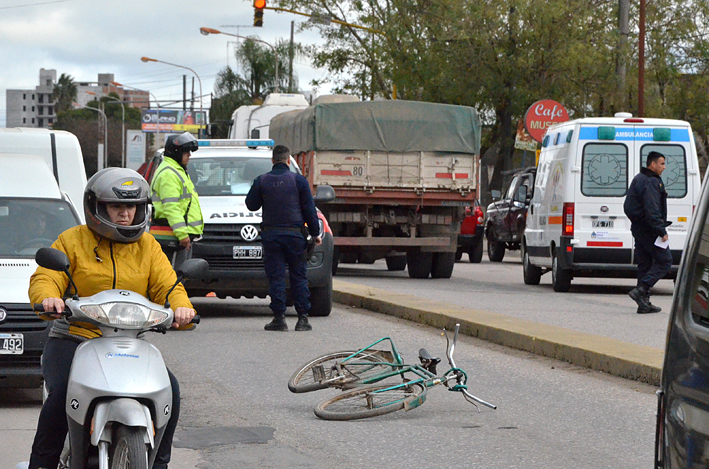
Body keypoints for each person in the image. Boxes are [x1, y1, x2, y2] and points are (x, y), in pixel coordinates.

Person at [25, 168, 196, 469]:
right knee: (63, 392)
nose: (125, 214)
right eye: (116, 206)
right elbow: (47, 276)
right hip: (75, 338)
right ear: (96, 207)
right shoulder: (72, 240)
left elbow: (168, 286)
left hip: (129, 342)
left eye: (131, 207)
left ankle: (159, 463)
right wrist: (48, 298)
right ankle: (43, 463)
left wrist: (183, 308)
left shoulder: (149, 247)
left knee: (171, 389)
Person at [245, 145, 321, 331]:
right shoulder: (299, 181)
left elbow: (251, 205)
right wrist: (315, 233)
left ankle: (279, 318)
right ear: (288, 160)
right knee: (299, 276)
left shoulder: (261, 181)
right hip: (296, 236)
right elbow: (309, 210)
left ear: (272, 160)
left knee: (276, 277)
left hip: (272, 236)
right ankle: (302, 318)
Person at [624, 151, 673, 314]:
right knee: (665, 261)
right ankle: (641, 290)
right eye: (662, 164)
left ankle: (643, 303)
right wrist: (660, 230)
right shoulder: (651, 182)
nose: (664, 167)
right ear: (653, 164)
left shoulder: (639, 178)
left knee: (645, 264)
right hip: (650, 231)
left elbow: (628, 206)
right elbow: (652, 210)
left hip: (639, 229)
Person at [150, 132, 204, 270]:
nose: (189, 155)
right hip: (172, 237)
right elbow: (171, 206)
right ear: (176, 152)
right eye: (186, 152)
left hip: (177, 235)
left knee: (179, 276)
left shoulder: (177, 170)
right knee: (173, 277)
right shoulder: (169, 173)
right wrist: (182, 234)